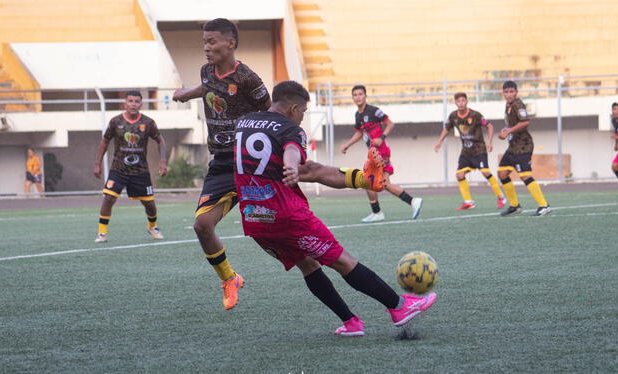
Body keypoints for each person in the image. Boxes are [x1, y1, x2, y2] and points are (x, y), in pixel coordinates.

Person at [172, 18, 385, 311]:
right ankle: (229, 278)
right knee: (202, 226)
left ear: (230, 43)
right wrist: (187, 94)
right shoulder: (206, 71)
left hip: (251, 166)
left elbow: (272, 115)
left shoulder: (249, 79)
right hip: (222, 163)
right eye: (204, 42)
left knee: (305, 240)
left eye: (212, 42)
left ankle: (351, 316)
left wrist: (286, 148)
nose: (206, 48)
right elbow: (210, 87)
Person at [234, 80, 437, 336]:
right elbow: (294, 155)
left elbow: (311, 170)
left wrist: (359, 178)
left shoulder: (244, 123)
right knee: (343, 261)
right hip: (287, 217)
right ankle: (398, 307)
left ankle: (351, 322)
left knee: (307, 264)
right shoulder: (289, 129)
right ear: (294, 108)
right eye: (303, 112)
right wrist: (291, 164)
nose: (302, 118)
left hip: (254, 219)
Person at [340, 85, 422, 222]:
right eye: (355, 94)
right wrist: (347, 145)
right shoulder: (358, 115)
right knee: (377, 183)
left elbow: (390, 124)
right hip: (373, 152)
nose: (358, 96)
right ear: (352, 98)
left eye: (360, 94)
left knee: (371, 181)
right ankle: (407, 203)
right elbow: (360, 132)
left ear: (365, 96)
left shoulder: (374, 111)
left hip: (381, 151)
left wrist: (381, 138)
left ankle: (385, 210)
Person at [93, 90, 167, 242]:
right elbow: (104, 141)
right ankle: (102, 233)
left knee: (149, 203)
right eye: (130, 101)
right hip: (118, 169)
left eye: (136, 101)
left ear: (141, 104)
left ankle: (152, 226)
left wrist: (163, 160)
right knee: (108, 198)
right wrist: (97, 164)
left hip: (140, 170)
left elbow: (160, 141)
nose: (133, 104)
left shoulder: (148, 123)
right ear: (125, 103)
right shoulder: (116, 122)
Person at [434, 92, 507, 210]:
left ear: (467, 101)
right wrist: (440, 141)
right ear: (455, 103)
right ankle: (468, 201)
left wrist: (489, 142)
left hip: (479, 150)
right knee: (459, 175)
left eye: (463, 100)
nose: (461, 103)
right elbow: (446, 128)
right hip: (466, 152)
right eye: (458, 101)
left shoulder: (475, 115)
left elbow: (490, 126)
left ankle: (501, 197)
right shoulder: (453, 116)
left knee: (485, 172)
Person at [497, 81, 551, 216]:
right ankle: (515, 206)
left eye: (511, 92)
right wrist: (506, 130)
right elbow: (513, 125)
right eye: (506, 92)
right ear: (503, 93)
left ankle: (544, 205)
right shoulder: (508, 105)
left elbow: (525, 122)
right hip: (513, 146)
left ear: (516, 92)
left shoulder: (518, 104)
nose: (509, 95)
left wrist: (508, 131)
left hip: (523, 145)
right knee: (502, 173)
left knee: (525, 175)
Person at [609, 102, 618, 198]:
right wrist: (616, 144)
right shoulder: (614, 121)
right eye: (615, 109)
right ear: (612, 111)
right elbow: (616, 132)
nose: (617, 111)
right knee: (614, 167)